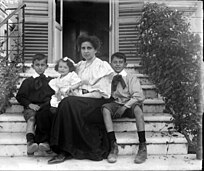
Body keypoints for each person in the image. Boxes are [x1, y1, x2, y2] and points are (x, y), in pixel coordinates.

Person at [48, 34, 114, 164]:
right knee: (51, 106)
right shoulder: (80, 65)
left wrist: (78, 96)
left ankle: (63, 150)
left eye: (89, 48)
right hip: (80, 99)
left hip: (96, 101)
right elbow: (66, 74)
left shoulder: (102, 66)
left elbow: (100, 94)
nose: (86, 51)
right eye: (83, 48)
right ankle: (49, 143)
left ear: (96, 50)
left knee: (68, 103)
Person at [102, 52, 147, 164]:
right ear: (110, 64)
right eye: (115, 62)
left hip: (130, 103)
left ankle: (142, 145)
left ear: (125, 64)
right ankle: (113, 145)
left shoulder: (130, 78)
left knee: (138, 109)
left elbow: (139, 95)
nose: (118, 65)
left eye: (120, 62)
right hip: (116, 103)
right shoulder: (108, 78)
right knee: (105, 109)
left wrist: (125, 107)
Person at [16, 53, 55, 156]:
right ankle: (30, 144)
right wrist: (30, 104)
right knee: (32, 118)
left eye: (42, 65)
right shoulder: (27, 81)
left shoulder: (51, 81)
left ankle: (46, 143)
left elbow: (54, 96)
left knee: (48, 117)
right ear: (33, 66)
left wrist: (47, 105)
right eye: (37, 65)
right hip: (32, 106)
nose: (40, 67)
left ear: (47, 66)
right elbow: (20, 97)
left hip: (46, 107)